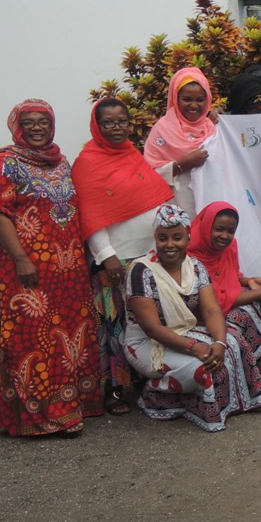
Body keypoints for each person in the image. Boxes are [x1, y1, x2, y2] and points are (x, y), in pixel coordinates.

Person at [0, 99, 103, 436]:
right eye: (29, 122)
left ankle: (69, 403)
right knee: (30, 339)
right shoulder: (5, 163)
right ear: (17, 126)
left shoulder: (61, 162)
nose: (37, 128)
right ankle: (36, 417)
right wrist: (21, 259)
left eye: (43, 122)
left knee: (69, 336)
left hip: (68, 270)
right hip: (27, 269)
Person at [122, 204, 261, 432]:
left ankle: (231, 403)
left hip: (182, 333)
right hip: (147, 344)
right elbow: (151, 328)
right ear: (155, 239)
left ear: (188, 238)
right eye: (163, 238)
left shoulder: (196, 267)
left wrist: (219, 343)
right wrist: (195, 347)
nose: (170, 245)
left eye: (177, 238)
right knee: (202, 368)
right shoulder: (140, 271)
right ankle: (154, 392)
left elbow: (212, 311)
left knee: (233, 343)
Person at [71, 98, 174, 415]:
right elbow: (90, 215)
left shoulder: (133, 154)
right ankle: (114, 390)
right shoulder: (87, 163)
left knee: (150, 321)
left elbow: (153, 198)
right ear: (97, 126)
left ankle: (148, 379)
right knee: (115, 328)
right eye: (109, 123)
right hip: (115, 262)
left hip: (148, 258)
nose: (117, 128)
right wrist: (106, 256)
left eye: (122, 121)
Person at [188, 201, 261, 359]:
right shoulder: (191, 258)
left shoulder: (229, 246)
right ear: (206, 226)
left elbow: (230, 276)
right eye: (219, 229)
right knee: (244, 312)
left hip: (218, 300)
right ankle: (243, 356)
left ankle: (256, 352)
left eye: (230, 231)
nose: (225, 236)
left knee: (255, 295)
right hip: (201, 312)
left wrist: (248, 281)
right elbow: (216, 300)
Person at [143, 67, 216, 218]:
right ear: (175, 98)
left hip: (210, 207)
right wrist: (182, 163)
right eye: (187, 99)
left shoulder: (212, 128)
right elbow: (148, 176)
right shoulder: (162, 130)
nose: (194, 105)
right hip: (177, 210)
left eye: (200, 100)